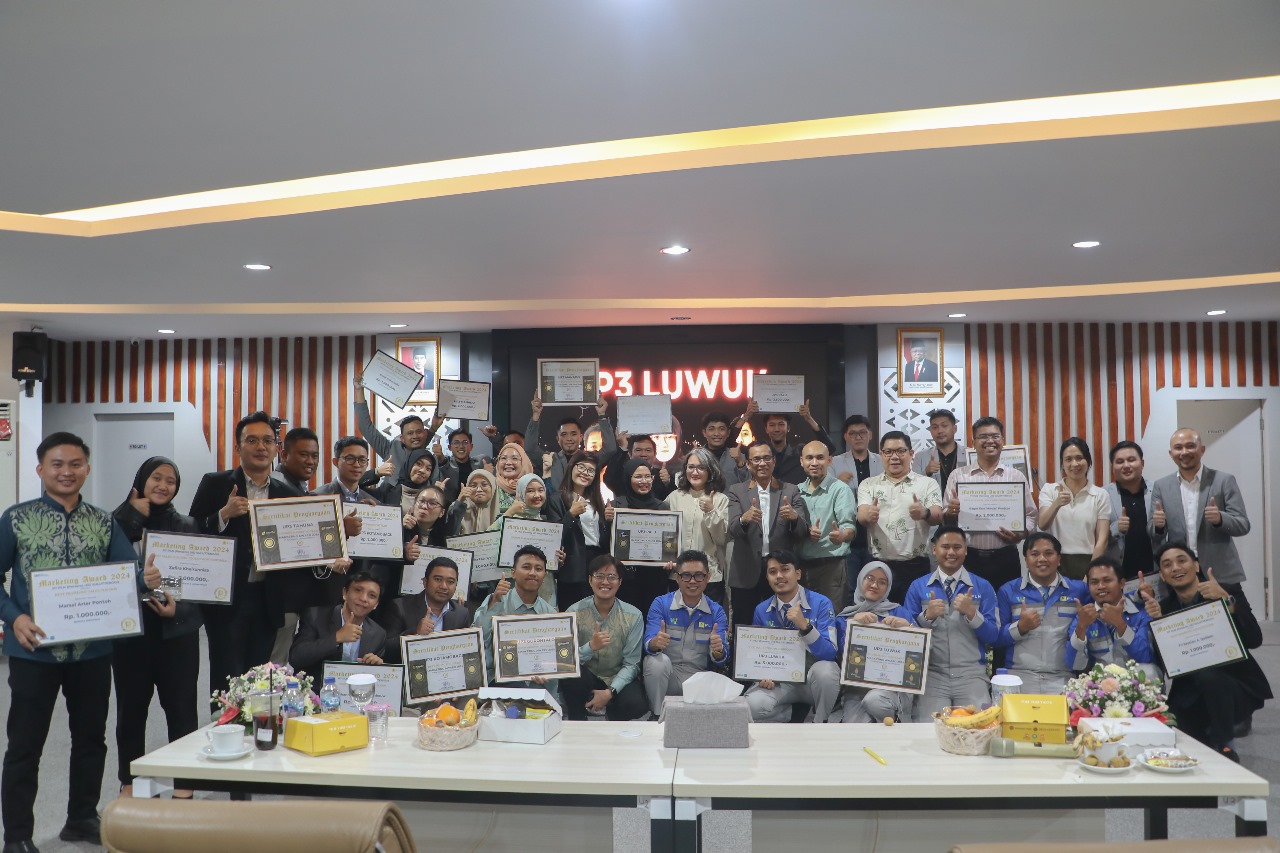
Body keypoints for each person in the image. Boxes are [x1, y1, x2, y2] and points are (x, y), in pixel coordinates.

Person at [0, 432, 161, 850]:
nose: (66, 472)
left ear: (87, 469)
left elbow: (127, 573)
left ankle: (81, 818)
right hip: (33, 651)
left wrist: (150, 580)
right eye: (57, 464)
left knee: (90, 738)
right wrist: (14, 618)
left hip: (92, 650)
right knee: (25, 745)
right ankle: (17, 836)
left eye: (75, 464)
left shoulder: (104, 522)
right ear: (41, 469)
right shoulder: (15, 519)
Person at [188, 412, 303, 701]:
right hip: (227, 599)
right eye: (252, 440)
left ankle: (254, 726)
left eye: (267, 441)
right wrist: (223, 515)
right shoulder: (215, 483)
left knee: (259, 679)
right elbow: (191, 532)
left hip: (268, 597)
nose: (261, 447)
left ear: (276, 448)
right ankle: (224, 724)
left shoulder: (287, 493)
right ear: (239, 447)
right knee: (226, 678)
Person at [111, 457, 204, 799]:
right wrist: (128, 515)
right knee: (130, 712)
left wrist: (179, 608)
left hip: (175, 634)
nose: (163, 486)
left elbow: (201, 583)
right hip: (131, 635)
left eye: (171, 481)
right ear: (141, 480)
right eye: (156, 478)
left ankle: (184, 781)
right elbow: (105, 571)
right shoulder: (115, 523)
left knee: (181, 709)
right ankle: (130, 781)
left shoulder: (187, 525)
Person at [1142, 543, 1271, 762]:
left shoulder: (1227, 591)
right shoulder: (1164, 607)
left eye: (1181, 560)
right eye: (1167, 565)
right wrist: (1158, 625)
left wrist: (1227, 603)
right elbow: (1168, 666)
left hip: (1235, 685)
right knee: (1180, 740)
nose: (1176, 568)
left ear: (1196, 565)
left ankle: (1225, 745)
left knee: (1209, 676)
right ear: (1162, 575)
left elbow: (1254, 639)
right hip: (1189, 691)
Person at [905, 526, 999, 720]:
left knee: (977, 727)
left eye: (957, 547)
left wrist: (972, 613)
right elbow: (906, 638)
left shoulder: (983, 586)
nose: (951, 552)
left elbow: (994, 636)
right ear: (934, 549)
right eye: (945, 547)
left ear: (966, 550)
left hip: (971, 675)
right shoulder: (918, 586)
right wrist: (926, 617)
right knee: (927, 729)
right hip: (931, 674)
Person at [743, 550, 841, 723]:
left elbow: (829, 653)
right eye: (773, 572)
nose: (779, 576)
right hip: (781, 683)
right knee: (752, 705)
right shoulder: (761, 610)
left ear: (798, 574)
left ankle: (820, 722)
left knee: (827, 671)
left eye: (785, 569)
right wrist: (763, 675)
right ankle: (797, 714)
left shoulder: (821, 603)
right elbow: (756, 655)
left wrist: (805, 626)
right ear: (767, 578)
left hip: (812, 681)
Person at [1149, 427, 1251, 588]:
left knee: (1233, 606)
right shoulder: (1161, 486)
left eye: (1190, 446)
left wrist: (1220, 519)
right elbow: (1153, 533)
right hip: (1181, 572)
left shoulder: (1223, 480)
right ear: (1171, 453)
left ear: (1202, 449)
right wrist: (1158, 527)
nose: (1184, 452)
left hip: (1220, 571)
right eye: (1178, 447)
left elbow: (1243, 525)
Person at [942, 416, 1036, 589]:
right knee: (970, 604)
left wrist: (1021, 534)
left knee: (1008, 603)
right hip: (969, 558)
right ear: (973, 443)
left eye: (995, 436)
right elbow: (946, 520)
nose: (990, 441)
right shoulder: (958, 475)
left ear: (1002, 440)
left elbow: (1031, 516)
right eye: (983, 437)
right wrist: (950, 512)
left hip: (1006, 558)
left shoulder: (1016, 476)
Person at [726, 441, 809, 627]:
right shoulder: (736, 491)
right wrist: (744, 519)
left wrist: (794, 518)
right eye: (756, 459)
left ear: (773, 461)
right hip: (746, 572)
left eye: (766, 458)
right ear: (748, 464)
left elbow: (802, 532)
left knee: (780, 625)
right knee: (743, 626)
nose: (762, 463)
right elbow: (732, 530)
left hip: (780, 572)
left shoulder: (790, 490)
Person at [993, 532, 1087, 695]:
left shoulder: (1079, 590)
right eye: (1035, 554)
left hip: (1063, 677)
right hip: (1018, 677)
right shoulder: (1008, 591)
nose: (1042, 559)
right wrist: (1020, 628)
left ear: (1059, 559)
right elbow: (996, 639)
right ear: (1026, 559)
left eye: (1048, 553)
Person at [856, 431, 943, 603]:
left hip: (915, 565)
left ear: (911, 454)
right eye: (888, 452)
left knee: (914, 615)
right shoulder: (868, 484)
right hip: (878, 565)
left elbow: (938, 515)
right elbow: (862, 515)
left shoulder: (927, 483)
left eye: (900, 451)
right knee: (879, 616)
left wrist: (925, 512)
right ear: (881, 455)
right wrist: (868, 515)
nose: (894, 457)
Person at [641, 550, 730, 716]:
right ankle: (657, 715)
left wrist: (718, 651)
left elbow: (721, 659)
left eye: (699, 575)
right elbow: (648, 644)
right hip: (668, 676)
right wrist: (655, 643)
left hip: (699, 680)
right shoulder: (661, 604)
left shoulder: (717, 611)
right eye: (686, 576)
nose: (692, 581)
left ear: (708, 577)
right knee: (655, 662)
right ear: (677, 577)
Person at [562, 555, 648, 721]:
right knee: (571, 677)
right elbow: (566, 660)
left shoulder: (633, 616)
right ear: (590, 580)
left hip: (616, 675)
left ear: (620, 582)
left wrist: (610, 692)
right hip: (587, 677)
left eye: (611, 577)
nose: (605, 582)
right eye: (599, 576)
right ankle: (577, 718)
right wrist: (590, 647)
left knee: (636, 704)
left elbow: (631, 664)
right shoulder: (574, 612)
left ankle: (613, 711)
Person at [472, 546, 560, 695]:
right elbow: (476, 639)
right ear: (513, 572)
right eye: (526, 567)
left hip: (537, 684)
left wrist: (546, 669)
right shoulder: (496, 600)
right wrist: (494, 602)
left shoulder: (550, 613)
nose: (532, 573)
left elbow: (554, 657)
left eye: (538, 569)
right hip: (498, 680)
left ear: (544, 575)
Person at [836, 561, 915, 724]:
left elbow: (922, 651)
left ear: (888, 587)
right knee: (853, 730)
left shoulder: (899, 612)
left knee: (875, 702)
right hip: (857, 688)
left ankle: (898, 723)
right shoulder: (845, 617)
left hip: (894, 687)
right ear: (860, 580)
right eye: (870, 578)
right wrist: (853, 624)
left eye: (882, 582)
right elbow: (839, 655)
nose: (874, 585)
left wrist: (908, 628)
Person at [795, 440, 857, 611]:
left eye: (820, 458)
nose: (814, 463)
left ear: (829, 461)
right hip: (800, 567)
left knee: (831, 617)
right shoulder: (795, 491)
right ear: (801, 461)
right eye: (809, 458)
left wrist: (842, 535)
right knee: (802, 617)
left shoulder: (840, 489)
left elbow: (849, 527)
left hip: (832, 566)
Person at [1036, 438, 1110, 580]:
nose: (1074, 464)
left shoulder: (1100, 494)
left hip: (1089, 561)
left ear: (1088, 461)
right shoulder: (1050, 490)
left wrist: (1090, 574)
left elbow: (1102, 540)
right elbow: (1042, 524)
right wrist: (1057, 503)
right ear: (1062, 464)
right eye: (1068, 459)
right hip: (1055, 561)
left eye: (1079, 458)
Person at [605, 458, 673, 613]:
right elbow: (604, 543)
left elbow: (668, 541)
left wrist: (669, 558)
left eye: (648, 476)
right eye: (638, 477)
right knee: (627, 620)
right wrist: (607, 522)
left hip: (655, 579)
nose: (644, 481)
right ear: (628, 479)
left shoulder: (663, 507)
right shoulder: (616, 506)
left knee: (653, 619)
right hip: (625, 579)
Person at [663, 448, 730, 604]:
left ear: (710, 471)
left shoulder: (720, 499)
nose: (695, 472)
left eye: (701, 467)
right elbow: (662, 532)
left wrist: (711, 511)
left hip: (709, 576)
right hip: (678, 574)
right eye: (691, 467)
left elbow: (721, 539)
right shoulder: (674, 497)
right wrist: (664, 557)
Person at [1066, 557, 1154, 673]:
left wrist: (1120, 624)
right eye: (1094, 582)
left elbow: (1146, 657)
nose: (1101, 586)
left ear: (1122, 583)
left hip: (1138, 679)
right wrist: (1081, 628)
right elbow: (1075, 665)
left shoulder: (1141, 612)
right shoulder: (1083, 618)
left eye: (1107, 580)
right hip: (1102, 681)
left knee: (1149, 671)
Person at [289, 570, 387, 673]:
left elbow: (374, 676)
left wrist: (376, 667)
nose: (363, 598)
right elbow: (296, 658)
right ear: (345, 593)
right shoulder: (315, 616)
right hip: (317, 683)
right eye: (358, 590)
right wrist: (336, 638)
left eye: (372, 595)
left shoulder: (378, 634)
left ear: (376, 604)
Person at [383, 556, 473, 663]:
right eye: (438, 579)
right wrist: (415, 633)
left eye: (450, 581)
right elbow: (384, 650)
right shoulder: (400, 606)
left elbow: (465, 653)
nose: (444, 586)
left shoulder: (461, 613)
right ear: (425, 582)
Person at [545, 451, 606, 608]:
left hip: (597, 562)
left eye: (591, 470)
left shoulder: (597, 500)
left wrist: (609, 520)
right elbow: (554, 536)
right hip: (573, 564)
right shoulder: (557, 499)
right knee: (572, 612)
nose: (585, 473)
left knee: (596, 611)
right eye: (581, 467)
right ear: (571, 467)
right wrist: (571, 514)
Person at [829, 415, 882, 590]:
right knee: (850, 589)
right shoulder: (835, 463)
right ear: (846, 437)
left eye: (862, 433)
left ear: (870, 435)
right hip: (849, 536)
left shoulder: (882, 461)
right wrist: (837, 482)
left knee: (875, 587)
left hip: (877, 533)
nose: (858, 437)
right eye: (853, 434)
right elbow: (826, 494)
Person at [490, 473, 559, 605]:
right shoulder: (511, 519)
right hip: (514, 586)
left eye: (541, 490)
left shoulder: (547, 524)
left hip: (544, 589)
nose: (537, 495)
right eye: (530, 491)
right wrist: (510, 512)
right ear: (520, 493)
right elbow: (488, 537)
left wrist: (558, 558)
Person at [354, 371, 430, 489]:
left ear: (425, 434)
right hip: (390, 499)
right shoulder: (391, 449)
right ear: (402, 438)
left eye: (419, 432)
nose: (415, 436)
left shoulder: (431, 459)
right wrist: (359, 390)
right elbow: (366, 427)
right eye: (410, 433)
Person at [526, 397, 616, 491]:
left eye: (573, 434)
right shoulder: (549, 460)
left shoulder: (590, 459)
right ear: (558, 439)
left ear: (581, 437)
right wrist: (536, 415)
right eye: (564, 434)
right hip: (556, 501)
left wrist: (602, 415)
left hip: (584, 501)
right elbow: (530, 449)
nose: (569, 438)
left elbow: (610, 449)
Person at [745, 397, 836, 485]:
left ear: (788, 428)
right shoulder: (760, 455)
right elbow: (735, 446)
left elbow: (829, 448)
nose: (777, 429)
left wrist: (809, 419)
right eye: (772, 425)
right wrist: (746, 416)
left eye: (781, 424)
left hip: (797, 495)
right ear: (766, 429)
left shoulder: (800, 452)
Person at [1105, 440, 1155, 580]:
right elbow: (1094, 538)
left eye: (1131, 460)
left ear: (1142, 463)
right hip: (1117, 574)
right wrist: (1116, 528)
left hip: (1155, 572)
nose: (1126, 465)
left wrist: (1160, 526)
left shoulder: (1157, 490)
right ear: (1113, 467)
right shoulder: (1103, 495)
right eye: (1120, 461)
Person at [604, 433, 675, 501]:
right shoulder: (623, 475)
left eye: (648, 450)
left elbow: (675, 500)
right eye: (638, 450)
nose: (643, 454)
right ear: (630, 454)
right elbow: (609, 479)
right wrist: (622, 447)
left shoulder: (663, 476)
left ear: (655, 454)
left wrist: (668, 483)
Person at [912, 409, 966, 493]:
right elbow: (913, 488)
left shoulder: (967, 454)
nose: (940, 431)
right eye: (935, 427)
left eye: (944, 426)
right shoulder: (920, 456)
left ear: (954, 429)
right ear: (930, 431)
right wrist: (926, 473)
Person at [445, 468, 501, 538]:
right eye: (473, 486)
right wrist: (459, 504)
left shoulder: (502, 510)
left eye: (484, 485)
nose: (479, 490)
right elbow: (449, 535)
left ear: (493, 487)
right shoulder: (456, 507)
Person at [699, 411, 747, 487]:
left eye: (721, 429)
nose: (716, 433)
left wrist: (740, 464)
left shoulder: (739, 457)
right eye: (711, 429)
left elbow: (749, 485)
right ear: (704, 432)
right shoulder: (696, 457)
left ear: (728, 433)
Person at [272, 426, 320, 493]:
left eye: (314, 456)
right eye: (303, 455)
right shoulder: (275, 487)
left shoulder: (297, 483)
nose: (310, 462)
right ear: (284, 455)